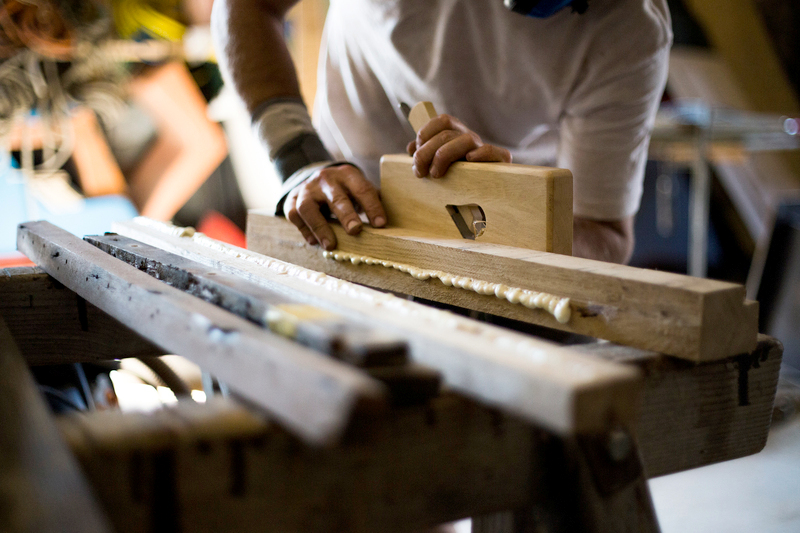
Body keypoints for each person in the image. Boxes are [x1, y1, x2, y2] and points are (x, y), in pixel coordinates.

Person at [211, 0, 672, 264]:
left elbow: (606, 235)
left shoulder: (630, 24)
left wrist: (509, 210)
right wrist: (299, 159)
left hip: (490, 254)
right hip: (342, 211)